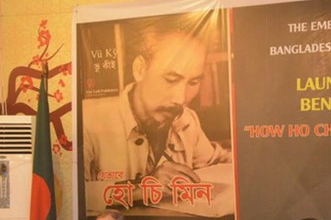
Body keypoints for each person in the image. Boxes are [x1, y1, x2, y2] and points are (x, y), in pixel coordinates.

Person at [83, 13, 231, 190]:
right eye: (171, 80)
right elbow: (75, 194)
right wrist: (144, 187)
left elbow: (217, 161)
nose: (180, 99)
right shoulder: (88, 120)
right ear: (140, 69)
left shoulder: (186, 120)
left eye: (193, 82)